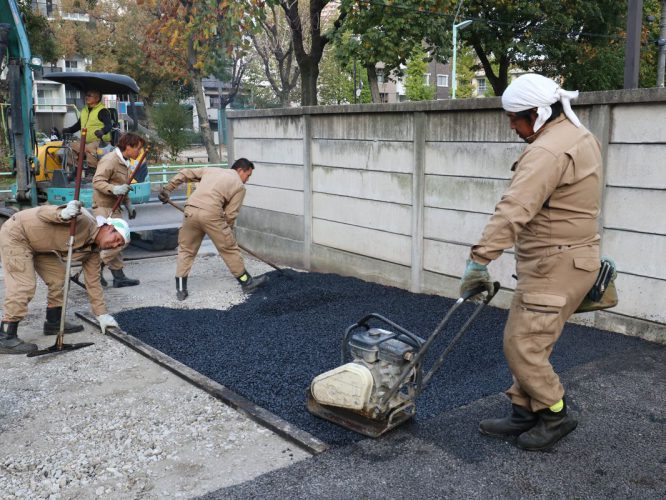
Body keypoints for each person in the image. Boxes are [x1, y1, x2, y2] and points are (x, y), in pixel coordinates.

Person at [459, 74, 602, 451]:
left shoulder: (547, 152)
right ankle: (524, 411)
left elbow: (515, 209)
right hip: (572, 260)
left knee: (521, 343)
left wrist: (480, 260)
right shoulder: (577, 135)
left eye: (515, 117)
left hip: (554, 266)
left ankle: (555, 413)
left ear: (538, 114)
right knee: (535, 341)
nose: (511, 124)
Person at [0, 201, 130, 354]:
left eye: (118, 245)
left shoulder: (93, 252)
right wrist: (62, 214)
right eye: (116, 239)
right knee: (24, 285)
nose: (114, 245)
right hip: (18, 234)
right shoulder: (82, 219)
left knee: (60, 278)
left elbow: (93, 283)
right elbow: (42, 213)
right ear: (108, 227)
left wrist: (102, 314)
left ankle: (54, 322)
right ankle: (6, 337)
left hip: (42, 246)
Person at [158, 158, 267, 300]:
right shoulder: (239, 186)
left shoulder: (211, 170)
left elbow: (185, 173)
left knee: (186, 250)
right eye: (248, 175)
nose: (247, 179)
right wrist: (227, 234)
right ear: (240, 170)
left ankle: (180, 289)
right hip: (212, 215)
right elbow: (230, 215)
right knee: (229, 249)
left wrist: (167, 189)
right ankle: (247, 282)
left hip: (190, 211)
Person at [92, 132, 145, 288]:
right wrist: (114, 189)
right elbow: (97, 181)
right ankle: (93, 270)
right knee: (117, 241)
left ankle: (119, 277)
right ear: (128, 147)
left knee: (114, 243)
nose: (139, 152)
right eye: (138, 148)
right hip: (103, 207)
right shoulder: (110, 160)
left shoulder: (125, 162)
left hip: (114, 207)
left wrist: (128, 204)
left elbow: (124, 186)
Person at [62, 89, 112, 168]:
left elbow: (109, 125)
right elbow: (78, 125)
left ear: (97, 98)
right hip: (85, 142)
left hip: (100, 142)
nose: (86, 97)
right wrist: (68, 130)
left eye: (89, 95)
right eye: (86, 95)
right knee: (69, 147)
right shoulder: (84, 110)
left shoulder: (103, 111)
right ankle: (76, 170)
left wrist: (102, 131)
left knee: (88, 149)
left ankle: (93, 172)